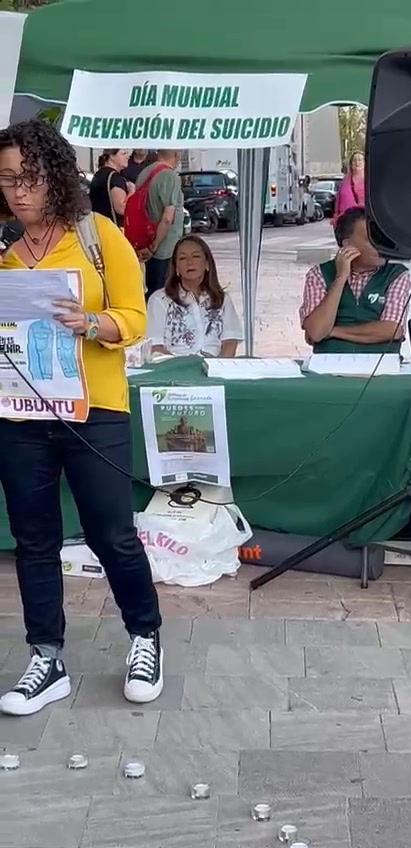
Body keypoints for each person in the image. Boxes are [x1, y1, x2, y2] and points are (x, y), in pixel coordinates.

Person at [0, 119, 163, 716]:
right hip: (20, 415)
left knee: (110, 532)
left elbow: (135, 318)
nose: (18, 191)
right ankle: (47, 657)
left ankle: (145, 637)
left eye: (29, 178)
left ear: (55, 177)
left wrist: (91, 323)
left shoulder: (97, 236)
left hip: (95, 410)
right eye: (6, 180)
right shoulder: (6, 252)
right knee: (34, 539)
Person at [300, 206, 411, 353]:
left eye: (382, 238)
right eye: (371, 240)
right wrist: (340, 279)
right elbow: (316, 331)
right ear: (348, 245)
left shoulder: (396, 274)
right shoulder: (319, 274)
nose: (381, 246)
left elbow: (392, 329)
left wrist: (331, 332)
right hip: (329, 364)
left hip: (381, 365)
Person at [147, 234, 243, 357]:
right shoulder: (159, 300)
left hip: (216, 367)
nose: (190, 262)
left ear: (207, 264)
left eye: (196, 256)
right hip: (175, 369)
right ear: (176, 268)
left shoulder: (221, 299)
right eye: (182, 258)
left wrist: (218, 367)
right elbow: (155, 347)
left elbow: (230, 341)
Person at [136, 149, 184, 299]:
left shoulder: (145, 173)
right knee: (165, 295)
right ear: (176, 154)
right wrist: (155, 245)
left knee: (153, 292)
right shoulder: (169, 176)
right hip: (165, 247)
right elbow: (168, 217)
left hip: (146, 240)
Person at [89, 149, 131, 227]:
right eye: (123, 154)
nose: (127, 157)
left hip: (97, 224)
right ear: (112, 156)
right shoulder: (115, 178)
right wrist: (132, 191)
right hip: (112, 228)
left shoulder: (98, 175)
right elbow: (122, 208)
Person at [332, 151, 365, 225]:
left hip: (363, 220)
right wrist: (336, 216)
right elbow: (339, 199)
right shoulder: (345, 180)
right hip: (346, 220)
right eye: (354, 160)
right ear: (351, 163)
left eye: (360, 160)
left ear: (365, 162)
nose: (357, 162)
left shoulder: (369, 180)